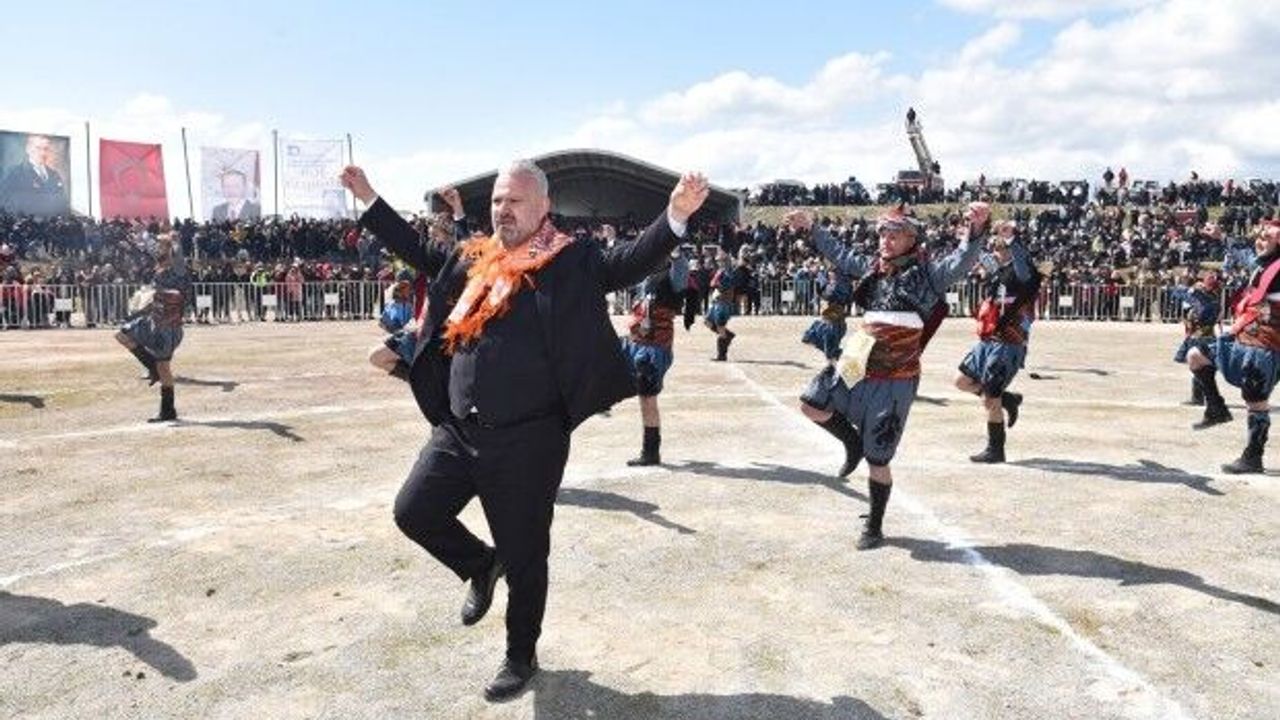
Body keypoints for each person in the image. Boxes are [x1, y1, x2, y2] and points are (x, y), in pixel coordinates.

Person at [340, 160, 708, 701]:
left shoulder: (570, 257)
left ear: (542, 208)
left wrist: (675, 214)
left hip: (528, 440)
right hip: (459, 428)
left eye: (512, 202)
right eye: (495, 202)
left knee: (527, 554)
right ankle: (480, 564)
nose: (501, 211)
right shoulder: (475, 257)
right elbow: (419, 251)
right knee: (413, 511)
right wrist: (370, 198)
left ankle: (520, 654)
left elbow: (627, 263)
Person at [792, 202, 990, 550]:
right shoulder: (872, 267)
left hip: (897, 372)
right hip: (859, 354)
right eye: (882, 233)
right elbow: (839, 251)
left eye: (894, 234)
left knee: (879, 457)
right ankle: (851, 442)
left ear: (911, 239)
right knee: (812, 403)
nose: (885, 240)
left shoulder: (930, 273)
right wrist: (811, 228)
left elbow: (961, 260)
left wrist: (975, 229)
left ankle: (875, 525)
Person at [954, 221, 1040, 464]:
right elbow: (980, 257)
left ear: (1009, 251)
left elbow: (1022, 262)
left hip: (1007, 342)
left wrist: (1011, 238)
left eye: (999, 249)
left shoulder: (1024, 273)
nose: (994, 253)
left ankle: (996, 449)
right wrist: (968, 238)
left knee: (991, 399)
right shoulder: (998, 271)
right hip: (987, 340)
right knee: (961, 381)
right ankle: (1008, 399)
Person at [1198, 220, 1280, 473]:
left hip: (1265, 345)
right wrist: (1222, 236)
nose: (1259, 240)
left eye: (1266, 237)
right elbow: (1244, 254)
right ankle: (1216, 408)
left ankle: (1253, 456)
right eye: (1258, 236)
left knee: (1255, 401)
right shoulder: (1261, 264)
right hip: (1244, 338)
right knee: (1196, 355)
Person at [620, 248, 690, 466]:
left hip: (654, 347)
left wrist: (676, 253)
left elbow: (681, 270)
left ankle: (651, 451)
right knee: (600, 351)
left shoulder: (671, 278)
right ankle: (601, 398)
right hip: (634, 343)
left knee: (647, 396)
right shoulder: (645, 279)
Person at [114, 233, 191, 422]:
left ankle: (167, 411)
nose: (158, 249)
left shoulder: (178, 270)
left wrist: (174, 240)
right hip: (152, 320)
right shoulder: (158, 270)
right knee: (121, 335)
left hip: (168, 326)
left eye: (162, 247)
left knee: (164, 368)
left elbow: (178, 253)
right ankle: (152, 368)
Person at [1174, 270, 1222, 408]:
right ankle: (1202, 396)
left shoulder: (1206, 299)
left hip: (1201, 336)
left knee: (1199, 367)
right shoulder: (1212, 297)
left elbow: (1179, 291)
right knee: (1204, 367)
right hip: (1205, 335)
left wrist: (1193, 289)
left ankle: (1199, 397)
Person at [0, 134, 69, 216]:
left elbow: (63, 204)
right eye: (38, 148)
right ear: (28, 149)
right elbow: (7, 205)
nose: (43, 153)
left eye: (46, 149)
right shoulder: (15, 173)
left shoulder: (54, 175)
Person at [705, 249, 742, 361]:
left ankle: (722, 354)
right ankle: (727, 335)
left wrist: (718, 284)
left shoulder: (729, 271)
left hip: (723, 302)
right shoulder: (720, 271)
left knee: (720, 326)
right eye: (718, 260)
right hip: (717, 301)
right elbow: (712, 283)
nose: (718, 262)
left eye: (721, 260)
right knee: (707, 322)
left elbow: (725, 284)